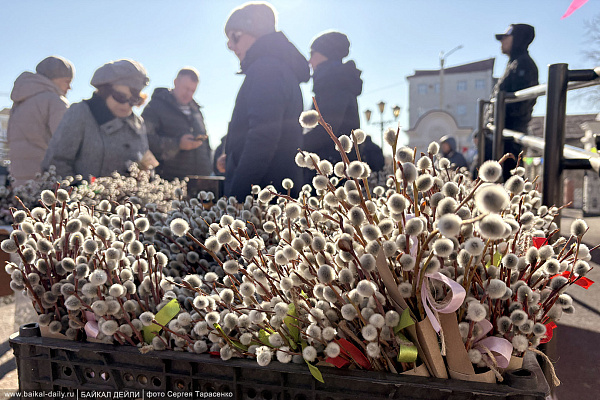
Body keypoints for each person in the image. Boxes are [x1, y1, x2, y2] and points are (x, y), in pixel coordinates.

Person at [222, 1, 310, 200]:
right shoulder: (277, 68)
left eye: (235, 37)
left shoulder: (266, 69)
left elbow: (262, 138)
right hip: (277, 191)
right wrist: (233, 157)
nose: (230, 46)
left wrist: (237, 196)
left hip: (263, 197)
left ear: (256, 31)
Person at [42, 59, 151, 179]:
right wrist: (80, 188)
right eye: (120, 97)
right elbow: (56, 162)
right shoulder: (80, 112)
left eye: (134, 100)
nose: (126, 105)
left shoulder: (137, 122)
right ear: (105, 91)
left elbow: (147, 162)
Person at [7, 56, 74, 186]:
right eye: (67, 81)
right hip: (45, 179)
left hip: (18, 178)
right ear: (53, 79)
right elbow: (66, 143)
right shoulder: (55, 101)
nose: (69, 87)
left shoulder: (20, 102)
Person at [484, 24, 539, 180]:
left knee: (509, 179)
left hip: (508, 136)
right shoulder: (515, 63)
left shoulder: (524, 65)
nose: (502, 42)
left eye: (505, 37)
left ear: (518, 39)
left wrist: (499, 122)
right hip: (501, 133)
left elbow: (522, 104)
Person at [302, 31, 363, 165]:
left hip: (332, 165)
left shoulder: (333, 82)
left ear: (326, 54)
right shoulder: (338, 80)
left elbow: (327, 130)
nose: (309, 61)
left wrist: (295, 146)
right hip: (336, 163)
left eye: (312, 53)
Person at [141, 67, 212, 180]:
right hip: (168, 180)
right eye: (186, 88)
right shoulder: (155, 107)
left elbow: (206, 144)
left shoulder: (196, 111)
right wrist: (177, 144)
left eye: (192, 90)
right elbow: (143, 140)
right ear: (175, 82)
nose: (189, 94)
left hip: (200, 179)